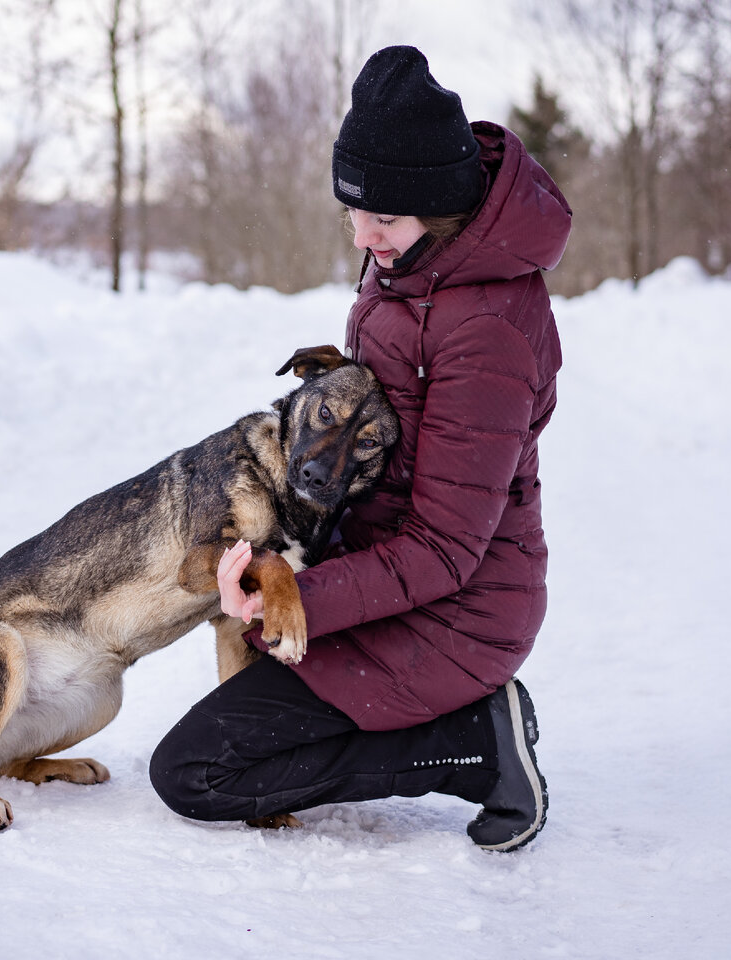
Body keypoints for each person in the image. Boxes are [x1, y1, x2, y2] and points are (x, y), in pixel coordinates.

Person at [150, 45, 572, 851]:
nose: (366, 232)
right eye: (355, 209)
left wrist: (299, 600)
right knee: (227, 745)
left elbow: (447, 547)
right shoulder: (407, 270)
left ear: (440, 206)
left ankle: (481, 747)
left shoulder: (485, 331)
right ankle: (460, 727)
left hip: (457, 612)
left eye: (387, 215)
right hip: (380, 585)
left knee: (198, 774)